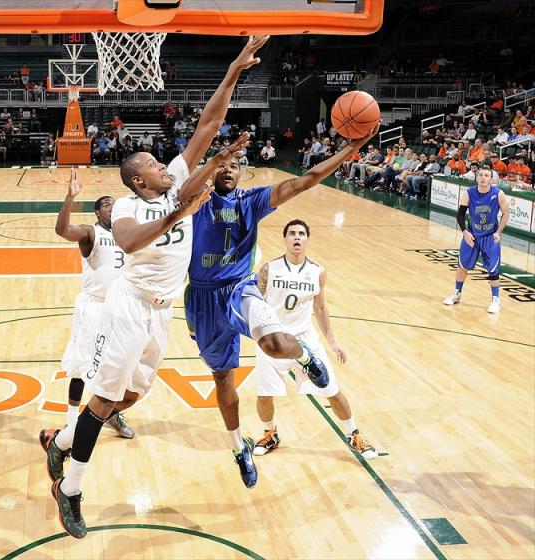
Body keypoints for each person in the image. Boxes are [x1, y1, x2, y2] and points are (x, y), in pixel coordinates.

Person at [40, 35, 270, 539]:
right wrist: (178, 212)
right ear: (138, 181)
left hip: (162, 312)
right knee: (102, 401)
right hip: (128, 306)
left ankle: (59, 442)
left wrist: (233, 69)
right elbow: (131, 240)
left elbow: (208, 123)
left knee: (131, 398)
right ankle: (71, 490)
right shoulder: (128, 208)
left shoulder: (178, 181)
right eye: (152, 165)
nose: (165, 166)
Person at [185, 121, 377, 488]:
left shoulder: (251, 201)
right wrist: (213, 161)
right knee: (223, 380)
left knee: (274, 344)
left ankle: (306, 355)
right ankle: (237, 447)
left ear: (242, 173)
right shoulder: (196, 199)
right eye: (221, 165)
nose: (228, 170)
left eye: (234, 165)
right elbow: (182, 188)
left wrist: (350, 150)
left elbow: (304, 180)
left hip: (238, 287)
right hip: (201, 297)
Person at [253, 220, 377, 458]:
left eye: (301, 234)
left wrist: (331, 341)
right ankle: (270, 433)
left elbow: (320, 308)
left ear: (307, 239)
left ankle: (354, 434)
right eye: (292, 234)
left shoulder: (317, 271)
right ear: (285, 239)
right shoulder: (270, 268)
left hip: (304, 341)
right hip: (273, 339)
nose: (296, 238)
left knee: (331, 389)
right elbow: (256, 301)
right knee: (264, 393)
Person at [43, 169, 134, 444]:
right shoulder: (90, 232)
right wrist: (70, 197)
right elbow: (62, 230)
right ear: (97, 213)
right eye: (107, 204)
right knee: (81, 367)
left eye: (115, 204)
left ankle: (113, 413)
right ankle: (71, 424)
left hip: (122, 308)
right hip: (94, 308)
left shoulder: (129, 234)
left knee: (121, 366)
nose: (112, 207)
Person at [443, 168, 509, 313]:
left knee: (493, 269)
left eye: (486, 175)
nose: (483, 178)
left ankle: (496, 301)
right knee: (462, 264)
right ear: (476, 177)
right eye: (481, 175)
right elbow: (460, 214)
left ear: (491, 179)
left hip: (490, 236)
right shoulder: (469, 192)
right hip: (472, 235)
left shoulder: (498, 194)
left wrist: (499, 232)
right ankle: (457, 294)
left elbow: (506, 213)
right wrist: (465, 232)